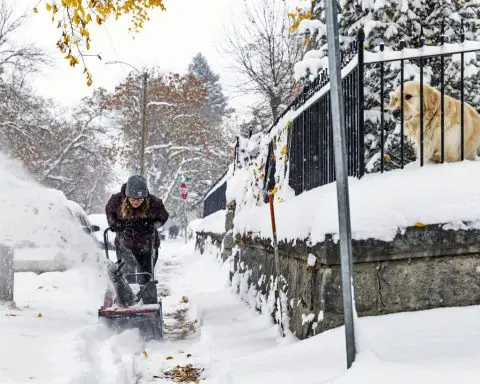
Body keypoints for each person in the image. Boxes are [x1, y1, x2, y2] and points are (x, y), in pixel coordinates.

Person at [105, 175, 169, 283]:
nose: (135, 202)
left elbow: (163, 217)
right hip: (124, 244)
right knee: (126, 275)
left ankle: (146, 296)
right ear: (126, 196)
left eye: (139, 199)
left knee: (145, 276)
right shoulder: (116, 201)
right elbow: (109, 212)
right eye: (132, 199)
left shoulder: (155, 203)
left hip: (147, 245)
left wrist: (152, 225)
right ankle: (127, 297)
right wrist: (116, 224)